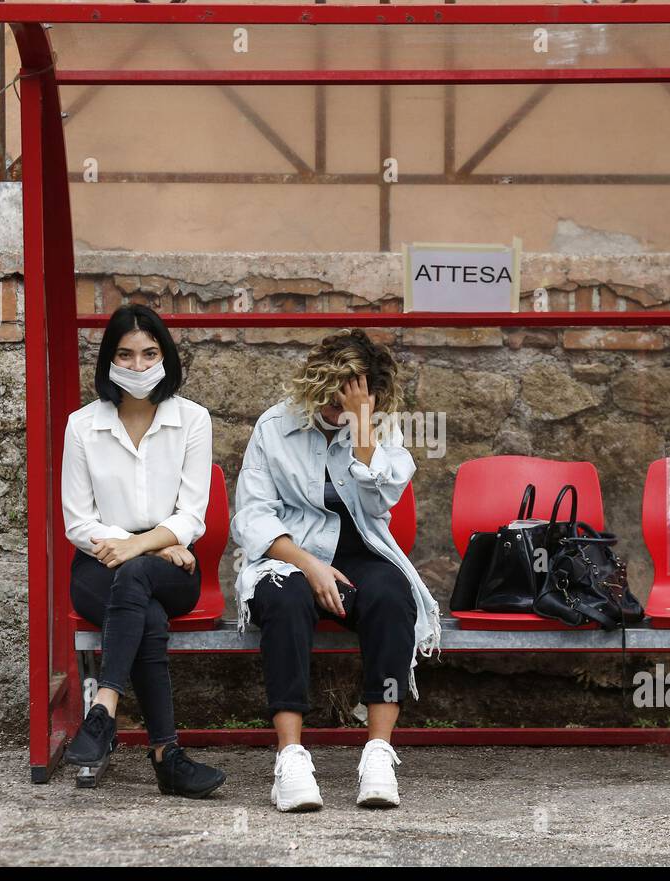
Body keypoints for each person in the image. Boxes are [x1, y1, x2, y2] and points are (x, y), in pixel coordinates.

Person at [231, 328, 442, 812]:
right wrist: (309, 566)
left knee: (392, 598)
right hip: (290, 554)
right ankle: (291, 757)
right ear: (313, 385)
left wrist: (364, 430)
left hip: (359, 553)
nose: (336, 413)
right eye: (331, 401)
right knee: (283, 602)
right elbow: (253, 515)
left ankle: (378, 753)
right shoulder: (273, 427)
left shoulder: (379, 426)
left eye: (350, 404)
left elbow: (382, 498)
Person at [61, 303, 226, 798]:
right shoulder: (82, 425)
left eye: (149, 353)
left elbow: (192, 515)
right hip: (99, 565)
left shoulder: (192, 420)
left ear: (166, 357)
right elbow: (78, 522)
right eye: (126, 355)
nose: (138, 366)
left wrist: (144, 544)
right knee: (144, 611)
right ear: (109, 361)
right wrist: (149, 547)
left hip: (174, 568)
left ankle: (104, 706)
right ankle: (166, 758)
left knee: (137, 581)